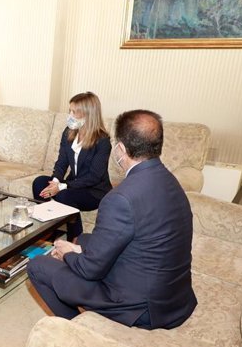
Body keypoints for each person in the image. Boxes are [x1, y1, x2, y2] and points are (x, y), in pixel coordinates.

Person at [27, 110, 197, 330]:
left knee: (39, 265)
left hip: (140, 307)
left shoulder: (119, 198)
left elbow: (90, 270)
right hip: (173, 298)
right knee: (84, 240)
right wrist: (77, 248)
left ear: (121, 149)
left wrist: (67, 252)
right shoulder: (169, 180)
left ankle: (77, 331)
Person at [32, 92, 112, 242]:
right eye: (70, 110)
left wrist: (62, 186)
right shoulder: (68, 132)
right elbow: (62, 161)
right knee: (39, 183)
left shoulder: (102, 141)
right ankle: (47, 233)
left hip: (94, 191)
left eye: (74, 112)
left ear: (88, 114)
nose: (70, 115)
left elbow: (94, 177)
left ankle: (75, 239)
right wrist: (56, 181)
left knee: (64, 195)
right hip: (73, 184)